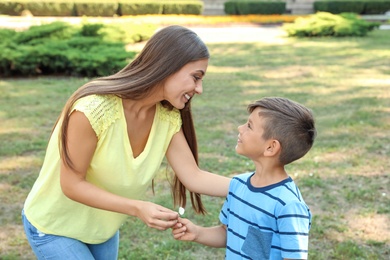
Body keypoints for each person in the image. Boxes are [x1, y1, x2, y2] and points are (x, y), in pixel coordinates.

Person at [22, 25, 231, 259]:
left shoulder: (167, 117)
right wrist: (138, 208)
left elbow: (193, 176)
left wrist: (254, 187)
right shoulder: (93, 110)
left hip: (102, 229)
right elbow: (71, 184)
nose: (199, 89)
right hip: (54, 226)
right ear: (168, 66)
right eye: (196, 77)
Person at [172, 97, 316, 259]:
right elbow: (227, 233)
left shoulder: (288, 205)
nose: (240, 128)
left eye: (249, 126)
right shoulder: (239, 185)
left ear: (270, 147)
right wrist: (198, 233)